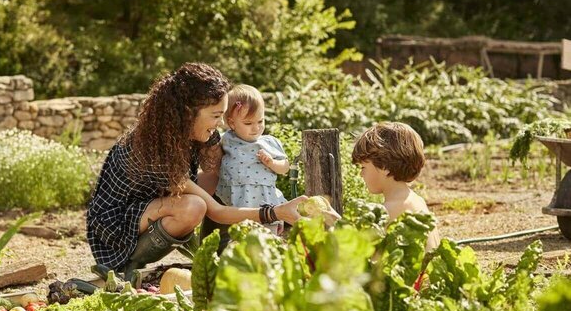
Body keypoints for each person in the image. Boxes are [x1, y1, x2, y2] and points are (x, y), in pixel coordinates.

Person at [86, 63, 305, 283]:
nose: (220, 124)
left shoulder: (193, 131)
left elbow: (223, 171)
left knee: (223, 174)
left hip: (151, 202)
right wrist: (274, 212)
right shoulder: (157, 148)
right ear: (189, 113)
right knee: (194, 206)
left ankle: (217, 250)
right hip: (113, 226)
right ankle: (129, 267)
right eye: (215, 116)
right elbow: (216, 211)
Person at [351, 121, 440, 252]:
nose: (361, 174)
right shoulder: (414, 199)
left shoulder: (390, 210)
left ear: (384, 167)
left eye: (364, 167)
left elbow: (355, 243)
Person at [215, 85, 290, 235]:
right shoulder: (227, 139)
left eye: (260, 121)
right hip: (237, 198)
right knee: (240, 235)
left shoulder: (268, 142)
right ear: (232, 123)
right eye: (248, 123)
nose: (256, 128)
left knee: (268, 235)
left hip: (264, 197)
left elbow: (285, 167)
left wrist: (272, 163)